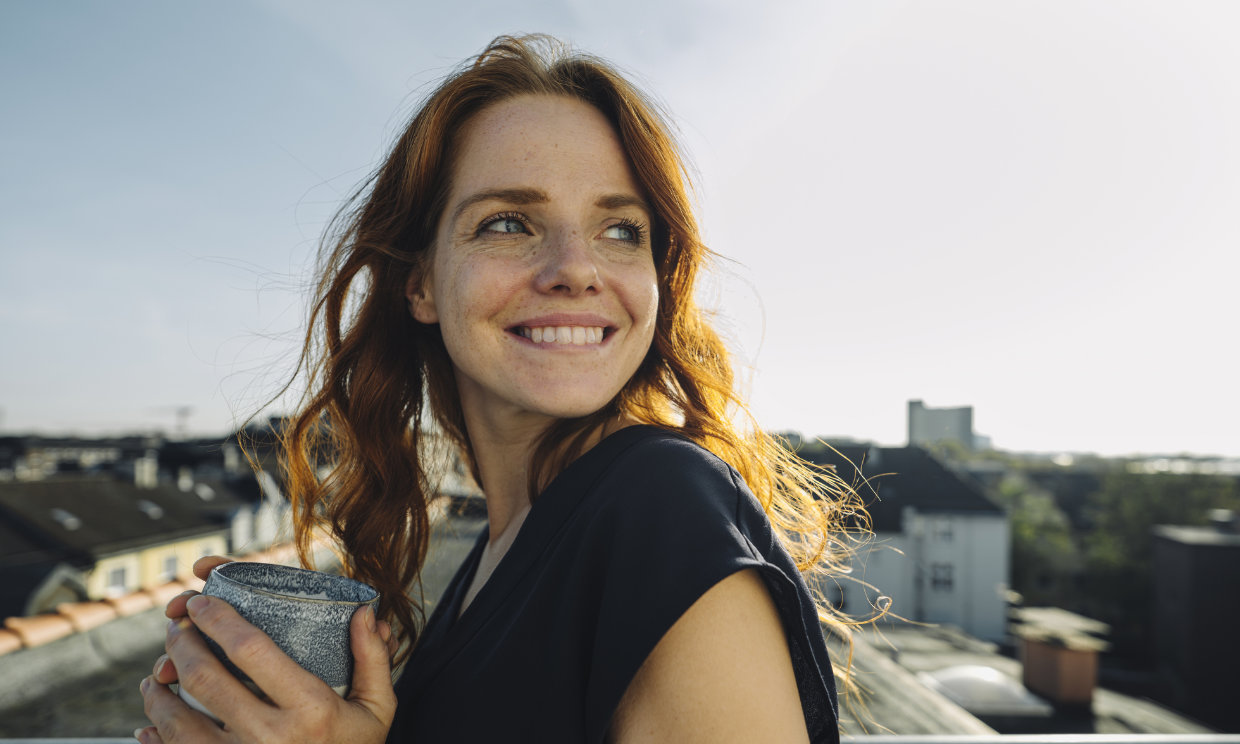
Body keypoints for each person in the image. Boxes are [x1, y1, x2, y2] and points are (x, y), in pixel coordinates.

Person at [138, 34, 862, 744]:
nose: (576, 268)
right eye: (509, 223)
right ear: (418, 281)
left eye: (621, 229)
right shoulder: (503, 546)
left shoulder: (659, 508)